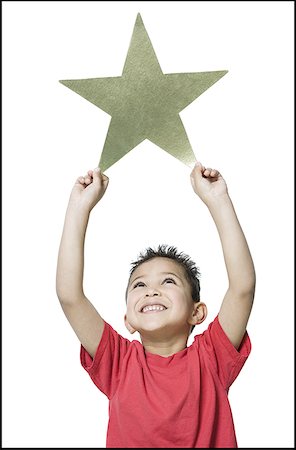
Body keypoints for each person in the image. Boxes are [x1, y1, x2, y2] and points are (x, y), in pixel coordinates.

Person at [56, 161, 256, 448]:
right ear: (127, 320)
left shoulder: (211, 358)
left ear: (196, 312)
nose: (151, 291)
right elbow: (69, 295)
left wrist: (218, 201)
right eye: (140, 285)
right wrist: (79, 207)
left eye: (168, 282)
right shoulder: (118, 362)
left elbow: (243, 288)